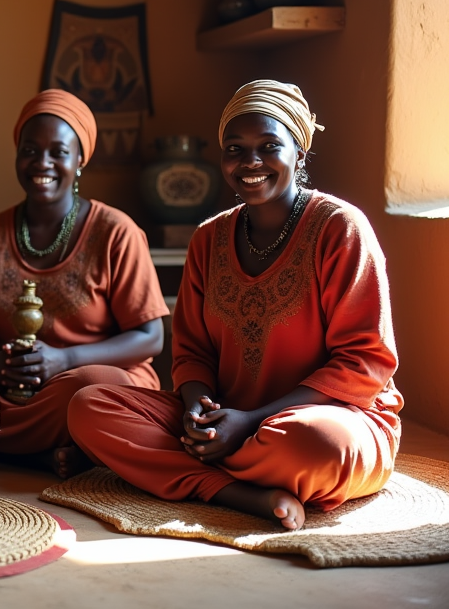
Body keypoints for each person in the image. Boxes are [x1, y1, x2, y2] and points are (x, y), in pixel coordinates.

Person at [67, 80, 402, 530]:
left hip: (326, 422)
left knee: (318, 446)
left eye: (269, 146)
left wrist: (250, 422)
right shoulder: (209, 238)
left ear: (299, 153)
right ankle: (239, 493)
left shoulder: (340, 229)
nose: (250, 162)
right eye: (235, 148)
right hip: (227, 418)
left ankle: (193, 474)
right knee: (89, 407)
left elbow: (364, 363)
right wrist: (196, 409)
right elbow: (192, 352)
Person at [0, 90, 168, 478]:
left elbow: (150, 337)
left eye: (58, 152)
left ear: (80, 160)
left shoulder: (117, 231)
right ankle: (41, 454)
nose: (43, 163)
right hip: (5, 386)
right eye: (30, 150)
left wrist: (63, 360)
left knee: (93, 386)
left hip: (74, 388)